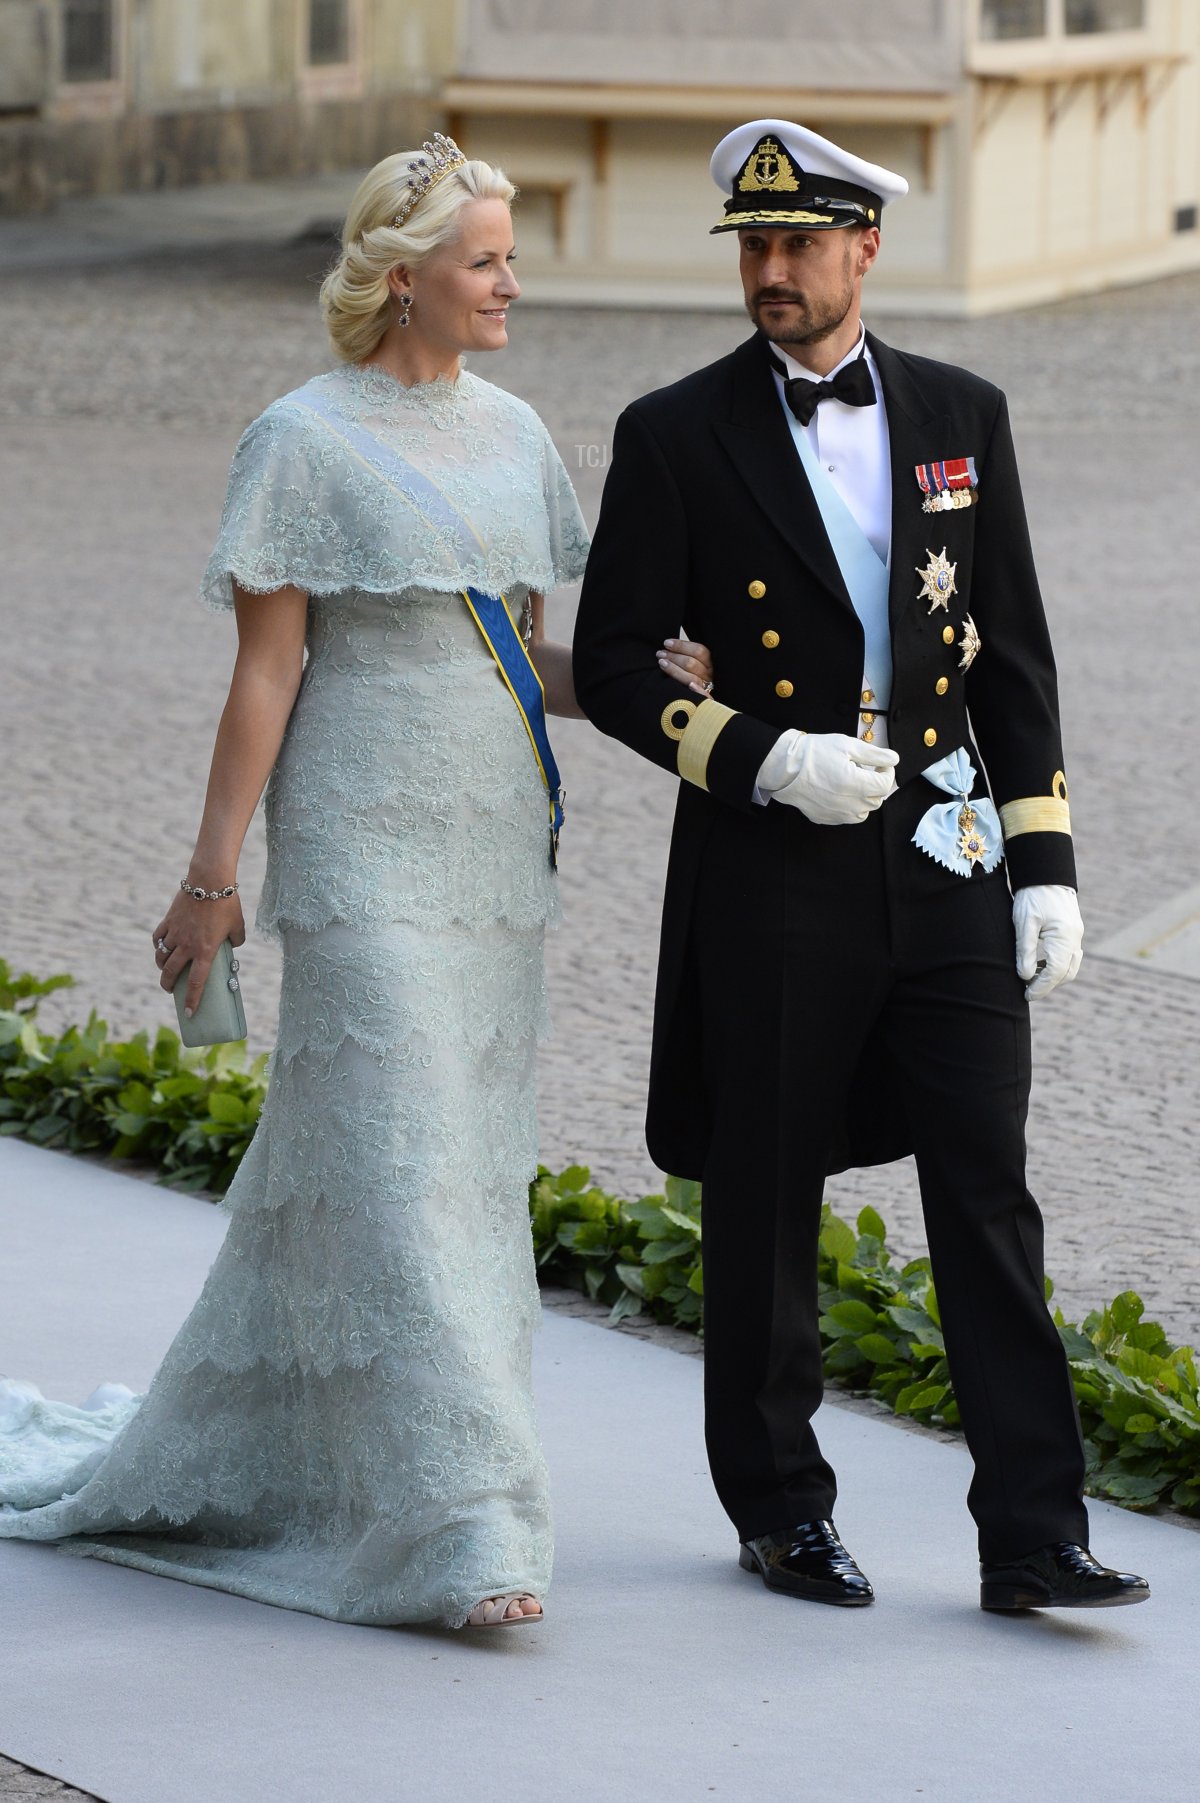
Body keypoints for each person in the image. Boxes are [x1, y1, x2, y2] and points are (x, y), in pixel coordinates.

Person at [0, 138, 712, 1631]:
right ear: (404, 281)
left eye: (513, 256)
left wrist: (650, 682)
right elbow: (267, 674)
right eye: (488, 261)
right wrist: (213, 881)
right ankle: (471, 1525)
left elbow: (522, 658)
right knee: (392, 1166)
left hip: (493, 853)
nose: (513, 283)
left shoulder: (519, 437)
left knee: (452, 1178)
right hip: (358, 845)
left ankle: (371, 1470)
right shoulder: (299, 443)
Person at [572, 119, 1149, 1614]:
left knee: (988, 1187)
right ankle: (780, 1508)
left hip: (946, 846)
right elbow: (619, 664)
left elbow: (1011, 655)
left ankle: (1037, 1532)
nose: (769, 271)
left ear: (863, 251)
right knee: (767, 1195)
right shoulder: (675, 431)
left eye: (797, 246)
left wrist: (1048, 864)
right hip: (777, 855)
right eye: (752, 248)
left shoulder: (966, 411)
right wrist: (762, 754)